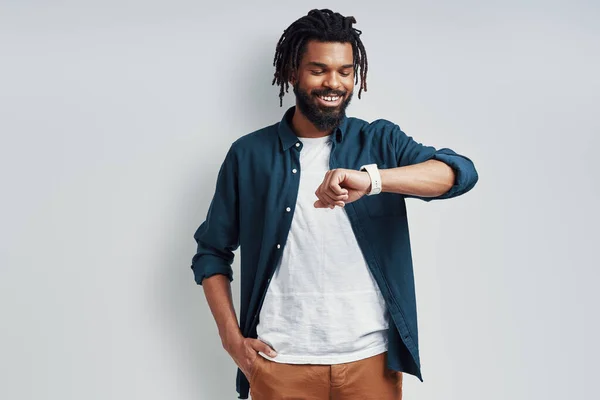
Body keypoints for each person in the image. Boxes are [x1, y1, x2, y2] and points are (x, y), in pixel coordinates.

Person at [190, 8, 479, 400]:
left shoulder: (379, 141)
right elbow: (212, 252)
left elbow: (458, 173)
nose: (334, 83)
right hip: (279, 364)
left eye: (345, 71)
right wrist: (232, 340)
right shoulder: (248, 155)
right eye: (319, 69)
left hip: (371, 363)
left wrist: (373, 179)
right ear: (293, 72)